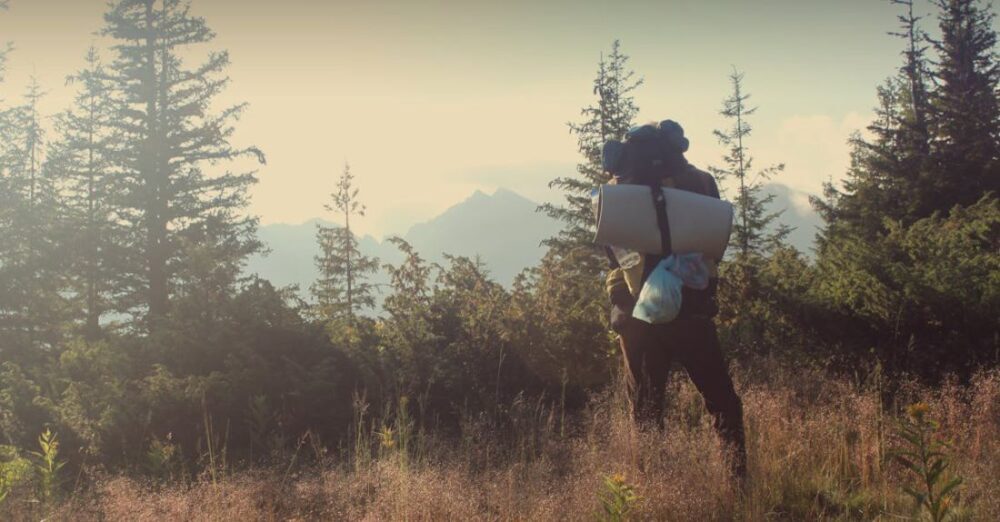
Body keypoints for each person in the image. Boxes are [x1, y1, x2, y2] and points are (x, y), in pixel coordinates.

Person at [603, 120, 747, 479]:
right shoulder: (700, 182)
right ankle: (738, 484)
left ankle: (651, 492)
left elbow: (611, 254)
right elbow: (717, 243)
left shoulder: (616, 191)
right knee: (722, 402)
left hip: (637, 315)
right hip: (691, 310)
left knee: (646, 410)